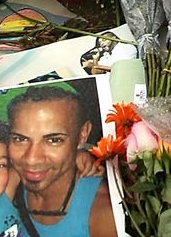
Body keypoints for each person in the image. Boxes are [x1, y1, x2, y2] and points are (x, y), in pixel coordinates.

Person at [7, 86, 116, 237]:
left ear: (82, 134)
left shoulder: (104, 215)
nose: (31, 159)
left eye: (54, 140)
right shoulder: (0, 184)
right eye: (20, 139)